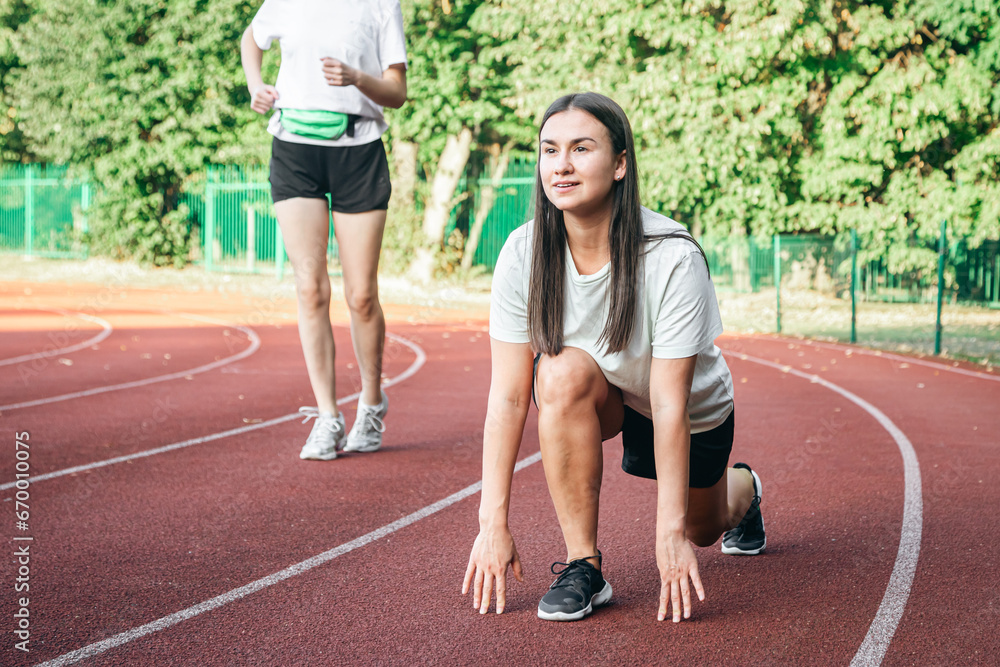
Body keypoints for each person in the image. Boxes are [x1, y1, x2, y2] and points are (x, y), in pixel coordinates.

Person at [461, 92, 766, 623]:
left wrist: (669, 534)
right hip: (606, 392)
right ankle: (584, 565)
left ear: (620, 163)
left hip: (685, 408)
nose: (562, 165)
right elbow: (510, 397)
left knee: (704, 526)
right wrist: (493, 522)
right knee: (554, 374)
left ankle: (745, 489)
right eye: (549, 150)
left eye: (581, 148)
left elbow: (670, 405)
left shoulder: (671, 256)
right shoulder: (523, 252)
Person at [240, 0, 407, 460]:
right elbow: (250, 39)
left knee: (361, 296)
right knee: (310, 288)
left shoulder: (380, 5)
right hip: (294, 150)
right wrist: (257, 86)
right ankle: (327, 415)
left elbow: (397, 91)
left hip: (359, 151)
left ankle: (371, 403)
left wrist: (357, 78)